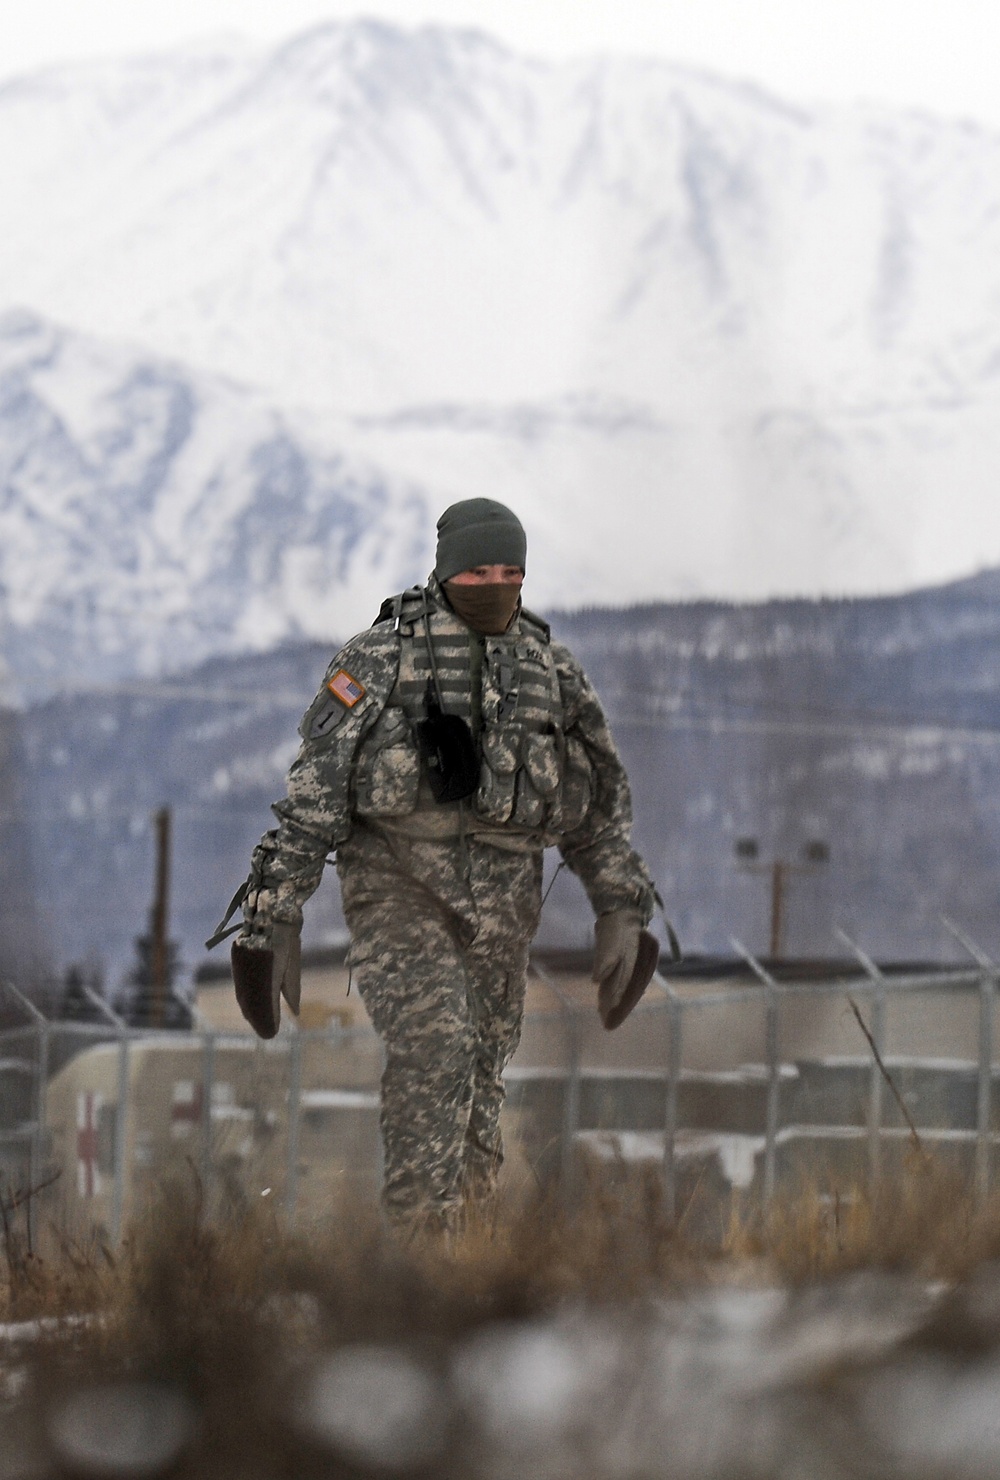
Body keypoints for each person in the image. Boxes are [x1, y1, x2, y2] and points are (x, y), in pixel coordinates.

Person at [216, 498, 668, 1233]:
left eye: (509, 570)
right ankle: (416, 1253)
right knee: (437, 1047)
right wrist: (274, 915)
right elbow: (314, 795)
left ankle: (465, 1261)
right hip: (397, 888)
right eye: (478, 568)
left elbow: (597, 802)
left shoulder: (552, 671)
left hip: (506, 901)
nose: (494, 582)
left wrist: (621, 906)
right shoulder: (378, 659)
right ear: (446, 568)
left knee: (484, 1072)